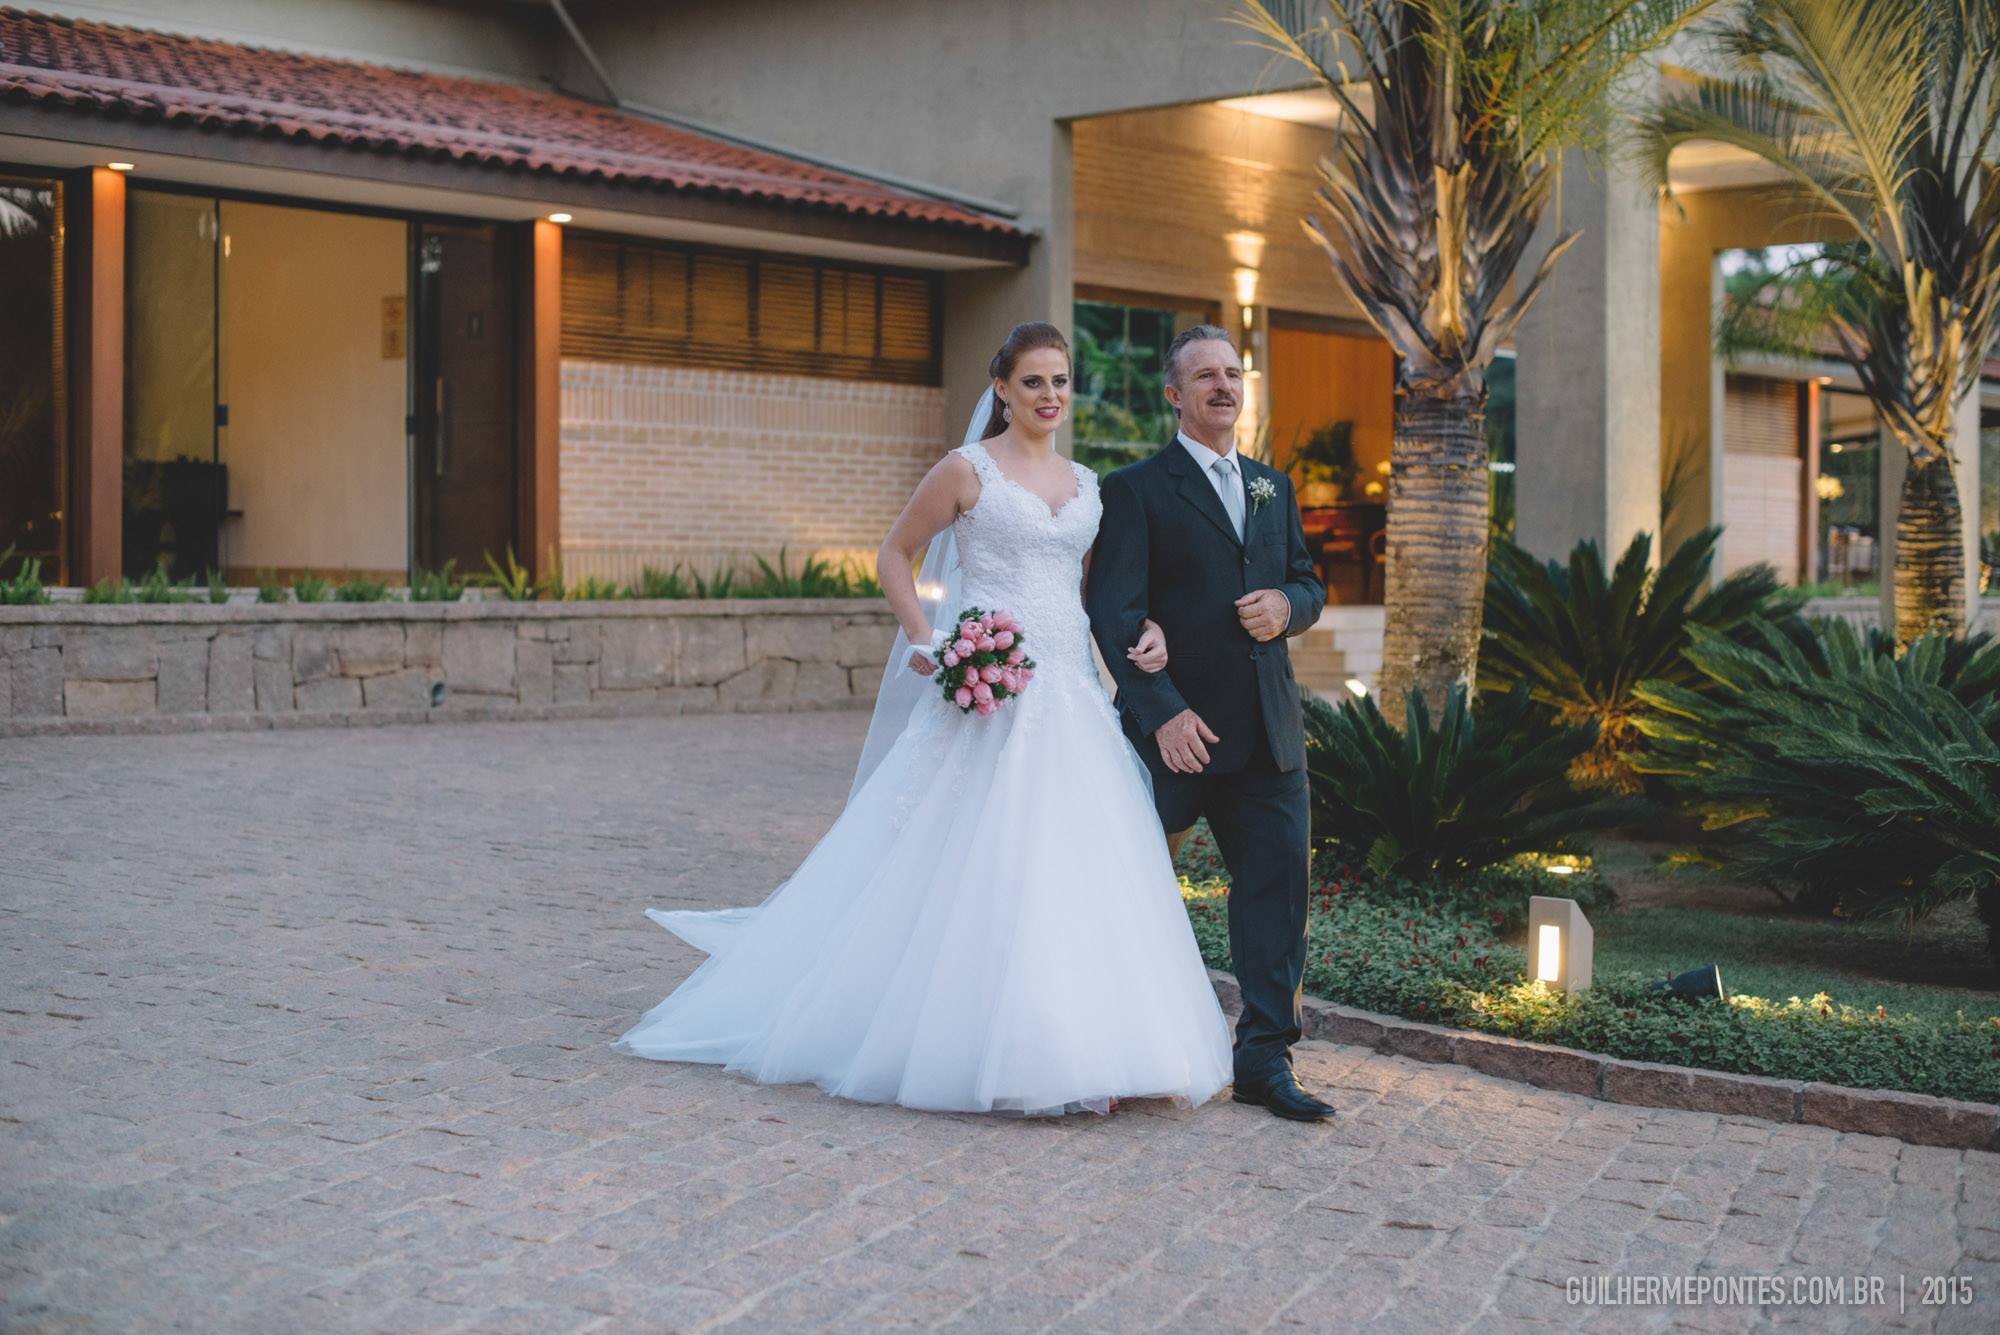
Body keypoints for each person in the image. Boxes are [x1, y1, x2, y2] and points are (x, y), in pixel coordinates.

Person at [614, 322, 1233, 1116]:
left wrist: (1145, 630)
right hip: (990, 688)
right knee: (976, 858)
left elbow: (1097, 593)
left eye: (1060, 381)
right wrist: (926, 639)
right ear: (1002, 388)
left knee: (1077, 865)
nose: (1050, 395)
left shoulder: (1086, 483)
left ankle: (1104, 1047)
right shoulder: (967, 470)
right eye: (1034, 381)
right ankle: (979, 1041)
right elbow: (893, 553)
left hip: (1070, 693)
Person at [1084, 325, 1334, 1122]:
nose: (1223, 385)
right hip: (1175, 739)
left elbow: (1309, 581)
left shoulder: (1272, 486)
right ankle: (1108, 1043)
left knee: (1276, 899)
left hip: (1267, 734)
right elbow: (1113, 610)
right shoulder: (1135, 489)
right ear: (1174, 394)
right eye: (1204, 376)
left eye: (1232, 373)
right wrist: (1162, 714)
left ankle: (1264, 1058)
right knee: (1126, 893)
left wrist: (1288, 605)